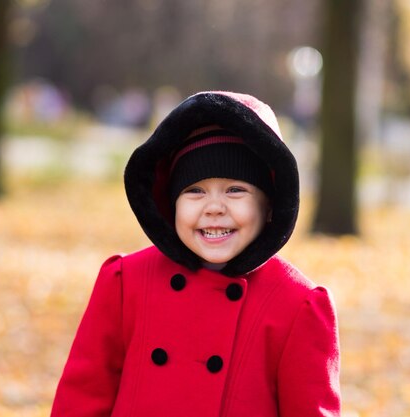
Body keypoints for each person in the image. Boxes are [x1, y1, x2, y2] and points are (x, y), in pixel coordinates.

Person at [51, 91, 341, 417]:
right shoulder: (124, 283)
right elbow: (79, 403)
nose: (214, 208)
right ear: (171, 203)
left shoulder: (298, 305)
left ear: (270, 204)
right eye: (194, 191)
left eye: (236, 190)